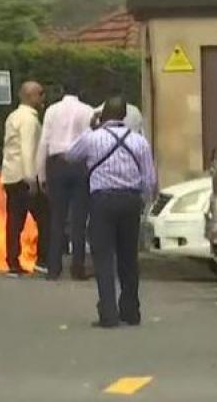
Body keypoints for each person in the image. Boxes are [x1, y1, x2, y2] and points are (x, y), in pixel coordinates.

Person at [66, 96, 157, 328]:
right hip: (130, 200)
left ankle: (108, 313)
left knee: (104, 258)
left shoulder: (92, 138)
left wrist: (91, 127)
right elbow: (149, 178)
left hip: (102, 201)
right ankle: (131, 311)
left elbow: (70, 155)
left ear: (102, 114)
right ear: (124, 115)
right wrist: (143, 201)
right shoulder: (139, 141)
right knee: (129, 258)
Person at [36, 82, 94, 280]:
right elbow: (91, 141)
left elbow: (44, 142)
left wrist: (41, 174)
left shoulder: (52, 111)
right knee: (79, 220)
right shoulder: (88, 111)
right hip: (79, 165)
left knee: (57, 218)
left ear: (62, 90)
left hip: (57, 164)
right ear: (80, 91)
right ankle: (78, 267)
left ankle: (54, 268)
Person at [1, 81, 49, 276]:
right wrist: (32, 179)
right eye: (40, 94)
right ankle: (42, 260)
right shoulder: (29, 120)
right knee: (46, 219)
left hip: (11, 176)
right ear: (30, 97)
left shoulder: (13, 116)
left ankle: (12, 262)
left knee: (14, 223)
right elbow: (28, 149)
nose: (43, 98)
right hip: (25, 178)